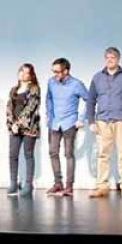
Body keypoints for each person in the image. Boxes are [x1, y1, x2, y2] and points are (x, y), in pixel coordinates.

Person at [87, 47, 122, 198]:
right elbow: (91, 100)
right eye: (107, 57)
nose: (109, 60)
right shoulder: (97, 77)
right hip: (102, 120)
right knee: (103, 155)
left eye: (112, 57)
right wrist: (91, 121)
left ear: (118, 59)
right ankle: (102, 186)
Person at [46, 57, 89, 198]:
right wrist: (49, 115)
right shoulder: (51, 82)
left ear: (66, 71)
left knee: (68, 154)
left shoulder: (76, 84)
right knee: (53, 152)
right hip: (54, 123)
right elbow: (49, 99)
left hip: (69, 123)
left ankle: (69, 186)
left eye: (58, 72)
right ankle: (58, 183)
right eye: (54, 71)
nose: (55, 75)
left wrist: (81, 119)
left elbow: (89, 100)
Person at [6, 63, 41, 198]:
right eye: (21, 71)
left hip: (29, 127)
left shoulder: (34, 88)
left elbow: (31, 108)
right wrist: (12, 124)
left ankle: (28, 184)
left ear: (30, 75)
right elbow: (9, 108)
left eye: (26, 72)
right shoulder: (13, 89)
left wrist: (19, 123)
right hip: (14, 127)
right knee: (12, 155)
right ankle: (13, 183)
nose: (22, 74)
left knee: (28, 155)